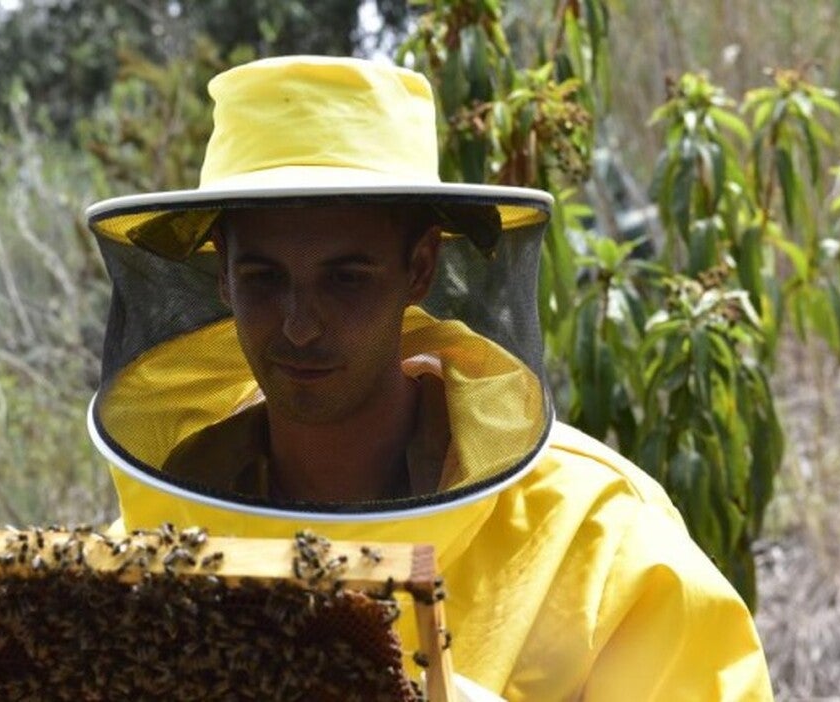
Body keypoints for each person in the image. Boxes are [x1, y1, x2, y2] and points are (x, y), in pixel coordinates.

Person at [85, 55, 772, 700]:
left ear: (419, 268)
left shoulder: (601, 537)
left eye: (346, 278)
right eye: (264, 278)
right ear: (222, 274)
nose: (299, 325)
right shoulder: (159, 542)